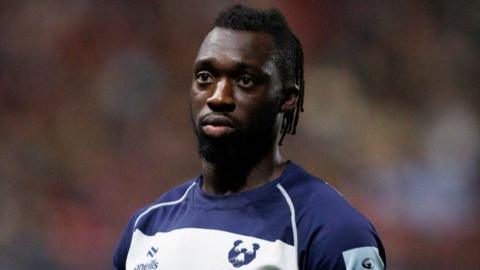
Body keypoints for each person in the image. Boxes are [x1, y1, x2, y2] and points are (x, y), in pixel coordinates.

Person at [113, 5, 386, 270]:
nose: (218, 97)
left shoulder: (330, 232)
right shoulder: (146, 229)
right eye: (205, 76)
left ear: (287, 99)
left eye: (244, 80)